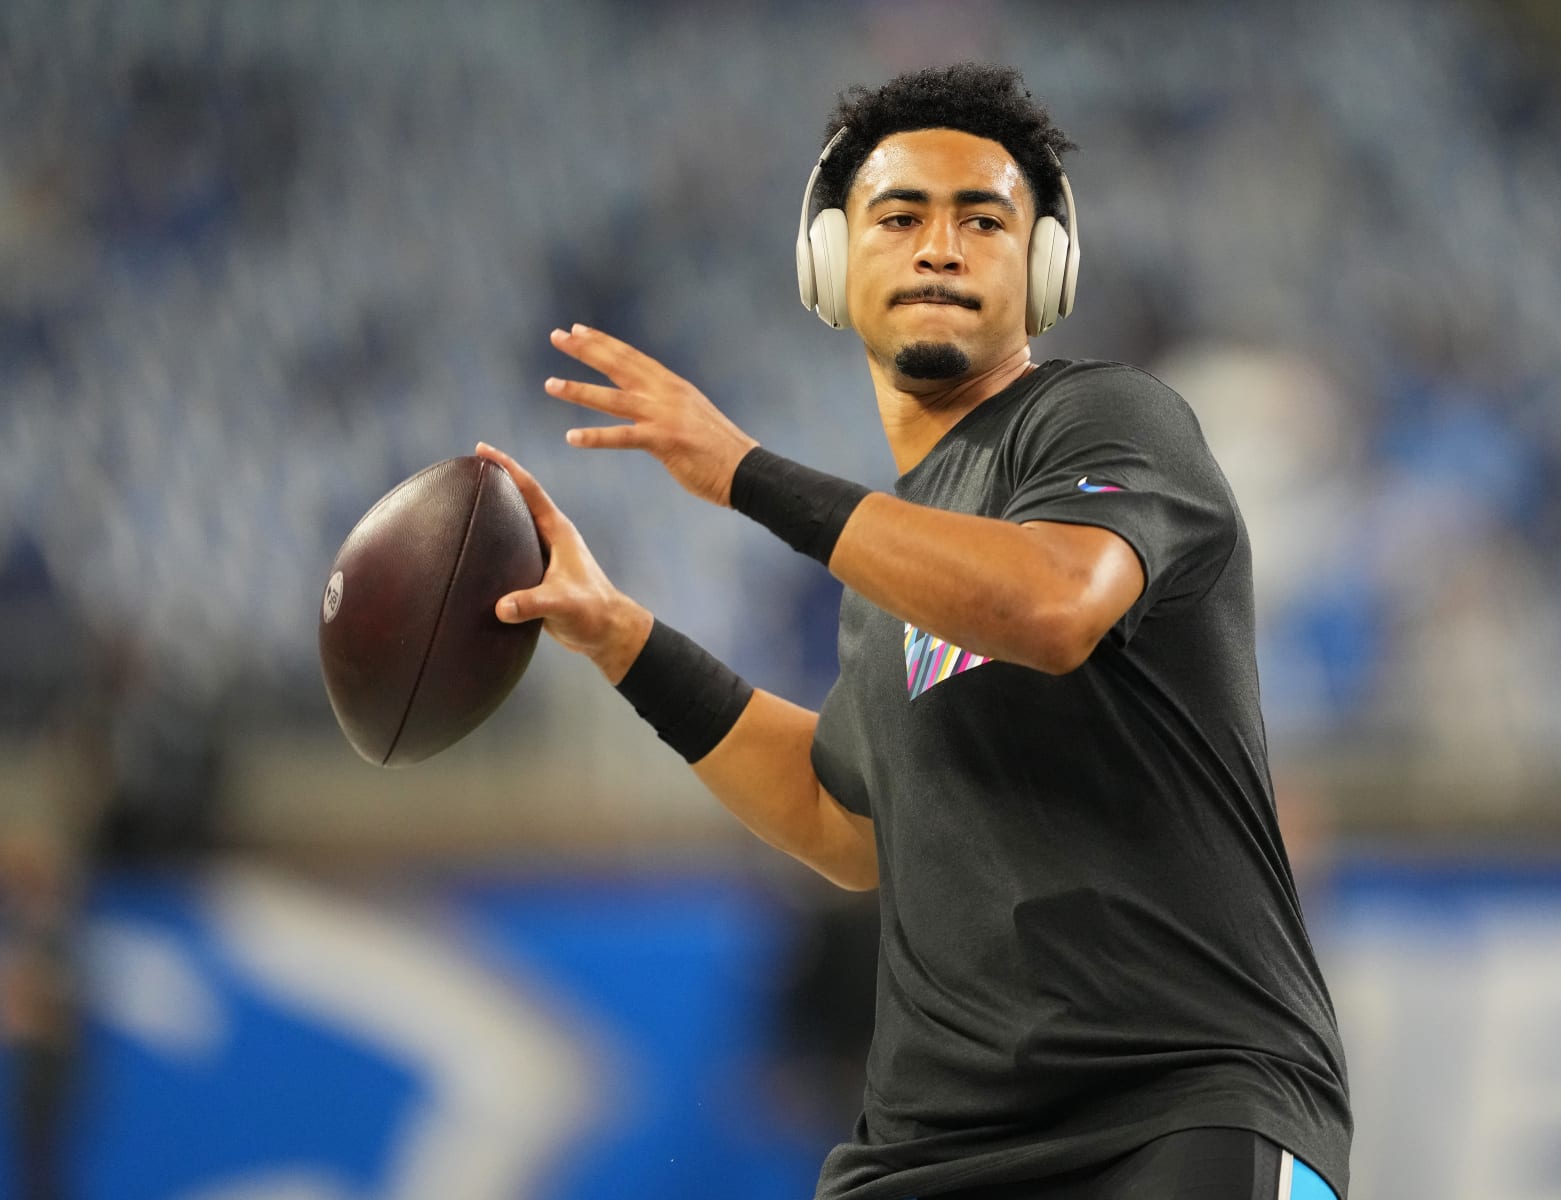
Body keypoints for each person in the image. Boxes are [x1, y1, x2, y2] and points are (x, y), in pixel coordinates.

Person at [479, 62, 1351, 1200]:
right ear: (830, 261)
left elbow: (1052, 605)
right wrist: (623, 640)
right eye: (899, 217)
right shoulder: (891, 564)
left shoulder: (1105, 418)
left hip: (1182, 1101)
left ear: (1045, 269)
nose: (941, 247)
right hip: (936, 1146)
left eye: (983, 220)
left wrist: (744, 472)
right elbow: (840, 822)